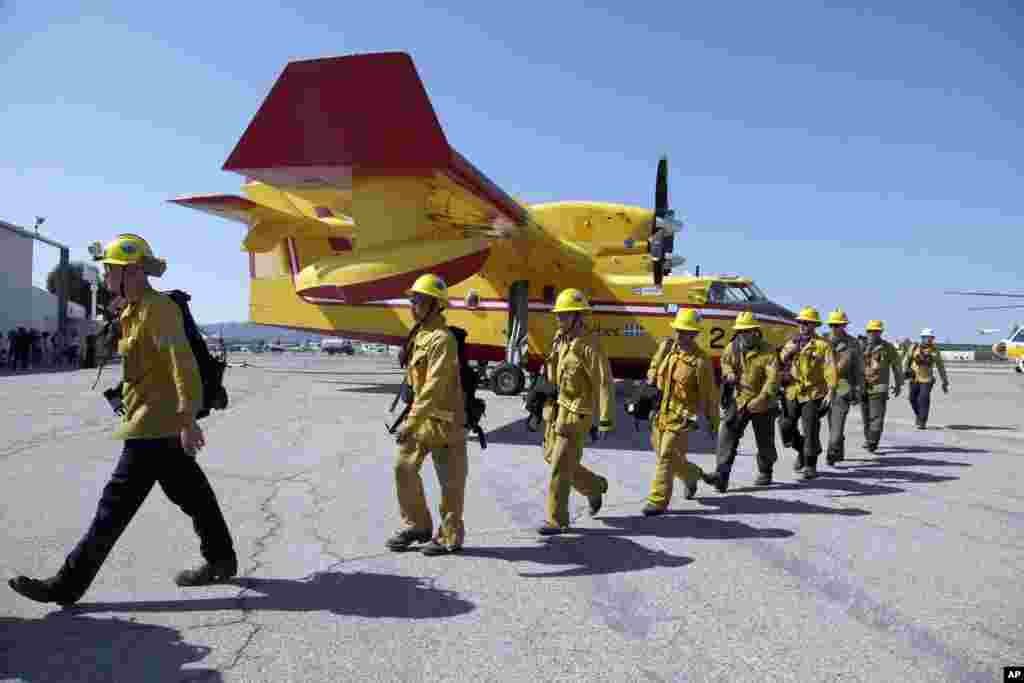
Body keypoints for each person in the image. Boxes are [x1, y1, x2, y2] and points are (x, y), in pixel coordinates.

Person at [8, 233, 237, 606]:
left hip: (155, 425)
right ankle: (221, 558)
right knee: (192, 494)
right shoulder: (132, 310)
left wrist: (187, 419)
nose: (105, 277)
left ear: (130, 271)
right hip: (150, 421)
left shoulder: (158, 309)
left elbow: (181, 363)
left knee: (111, 510)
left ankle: (66, 585)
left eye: (110, 270)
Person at [386, 273, 468, 556]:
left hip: (446, 422)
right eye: (412, 300)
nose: (413, 306)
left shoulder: (442, 340)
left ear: (435, 305)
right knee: (403, 469)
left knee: (450, 485)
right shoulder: (420, 335)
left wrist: (410, 422)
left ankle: (449, 537)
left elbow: (433, 387)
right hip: (422, 420)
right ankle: (418, 526)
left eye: (418, 300)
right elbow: (416, 383)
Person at [537, 288, 615, 534]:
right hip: (558, 408)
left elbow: (604, 382)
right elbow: (554, 372)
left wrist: (605, 419)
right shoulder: (561, 340)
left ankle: (556, 519)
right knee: (552, 456)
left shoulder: (589, 346)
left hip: (577, 414)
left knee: (559, 465)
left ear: (578, 317)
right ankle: (594, 486)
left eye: (564, 315)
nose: (559, 319)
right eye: (558, 315)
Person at [642, 308, 718, 514]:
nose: (681, 335)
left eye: (686, 332)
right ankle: (692, 475)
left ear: (694, 334)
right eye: (679, 330)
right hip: (661, 412)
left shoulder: (701, 362)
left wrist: (713, 422)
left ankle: (657, 501)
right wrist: (651, 377)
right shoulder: (667, 349)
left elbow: (709, 395)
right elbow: (653, 369)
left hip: (682, 417)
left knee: (666, 454)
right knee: (666, 455)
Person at [705, 311, 779, 491]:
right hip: (739, 400)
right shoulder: (733, 347)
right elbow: (725, 362)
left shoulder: (768, 350)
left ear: (755, 331)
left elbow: (773, 378)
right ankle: (721, 476)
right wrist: (728, 372)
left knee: (765, 441)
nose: (743, 334)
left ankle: (765, 470)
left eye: (747, 331)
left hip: (763, 401)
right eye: (740, 331)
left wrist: (762, 398)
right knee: (726, 436)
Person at [777, 307, 834, 481]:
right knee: (785, 425)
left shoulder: (823, 346)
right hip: (792, 391)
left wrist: (830, 391)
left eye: (806, 322)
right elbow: (778, 362)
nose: (802, 325)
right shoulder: (791, 342)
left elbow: (829, 368)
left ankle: (810, 464)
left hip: (813, 392)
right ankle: (801, 449)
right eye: (800, 322)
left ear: (814, 325)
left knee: (810, 428)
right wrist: (789, 352)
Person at [824, 308, 864, 465]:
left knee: (837, 426)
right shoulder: (822, 340)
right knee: (830, 425)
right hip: (822, 388)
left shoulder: (853, 344)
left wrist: (859, 389)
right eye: (832, 325)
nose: (834, 328)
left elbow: (859, 369)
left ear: (844, 326)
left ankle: (833, 450)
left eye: (838, 325)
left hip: (842, 388)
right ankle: (836, 450)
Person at [860, 320, 904, 452]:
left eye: (876, 331)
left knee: (877, 416)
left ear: (881, 332)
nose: (873, 334)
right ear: (867, 332)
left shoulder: (888, 347)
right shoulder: (860, 346)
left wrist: (898, 384)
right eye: (870, 331)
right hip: (862, 387)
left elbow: (897, 366)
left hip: (880, 387)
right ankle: (869, 439)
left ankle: (873, 441)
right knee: (866, 417)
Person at [903, 328, 949, 429]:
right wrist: (904, 371)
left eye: (930, 338)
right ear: (922, 338)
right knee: (912, 399)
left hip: (927, 379)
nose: (929, 340)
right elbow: (906, 359)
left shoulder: (935, 351)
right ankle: (919, 416)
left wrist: (945, 382)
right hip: (914, 378)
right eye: (926, 338)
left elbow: (940, 367)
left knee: (923, 399)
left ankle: (922, 421)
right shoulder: (914, 347)